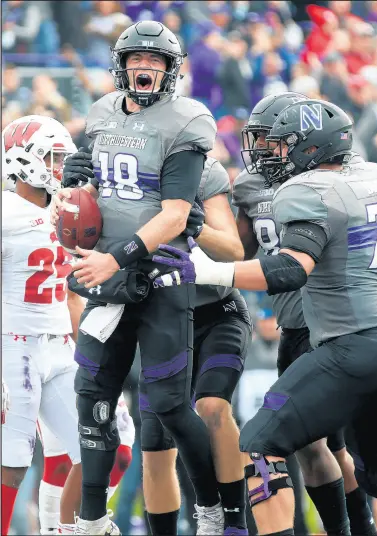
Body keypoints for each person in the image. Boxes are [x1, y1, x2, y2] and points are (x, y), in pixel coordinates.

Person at [152, 99, 377, 536]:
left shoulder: (308, 190)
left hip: (348, 344)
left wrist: (206, 270)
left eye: (280, 145)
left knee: (259, 442)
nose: (270, 152)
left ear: (311, 148)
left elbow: (291, 269)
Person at [51, 21, 221, 536]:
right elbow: (97, 187)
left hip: (161, 274)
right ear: (121, 65)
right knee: (93, 392)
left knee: (168, 404)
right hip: (109, 274)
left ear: (170, 71)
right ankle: (91, 519)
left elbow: (174, 213)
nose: (144, 67)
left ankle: (212, 507)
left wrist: (115, 258)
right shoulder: (102, 112)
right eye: (136, 59)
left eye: (156, 61)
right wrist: (76, 177)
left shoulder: (189, 121)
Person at [233, 92, 377, 536]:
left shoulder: (333, 184)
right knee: (320, 448)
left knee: (332, 449)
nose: (261, 151)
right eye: (257, 141)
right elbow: (241, 253)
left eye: (270, 141)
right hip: (294, 329)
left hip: (331, 327)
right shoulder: (250, 187)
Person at [138, 156, 252, 536]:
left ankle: (229, 521)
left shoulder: (203, 171)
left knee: (212, 405)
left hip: (215, 311)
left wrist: (197, 230)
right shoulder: (121, 169)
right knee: (154, 445)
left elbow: (234, 249)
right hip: (160, 319)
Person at [1, 115, 81, 536]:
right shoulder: (6, 211)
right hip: (14, 345)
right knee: (11, 466)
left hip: (60, 347)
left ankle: (57, 530)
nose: (59, 167)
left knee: (109, 447)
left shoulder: (67, 212)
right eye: (51, 157)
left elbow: (72, 289)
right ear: (21, 160)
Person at [37, 392, 135, 535]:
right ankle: (64, 530)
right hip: (49, 373)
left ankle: (91, 519)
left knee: (121, 452)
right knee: (61, 464)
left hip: (100, 373)